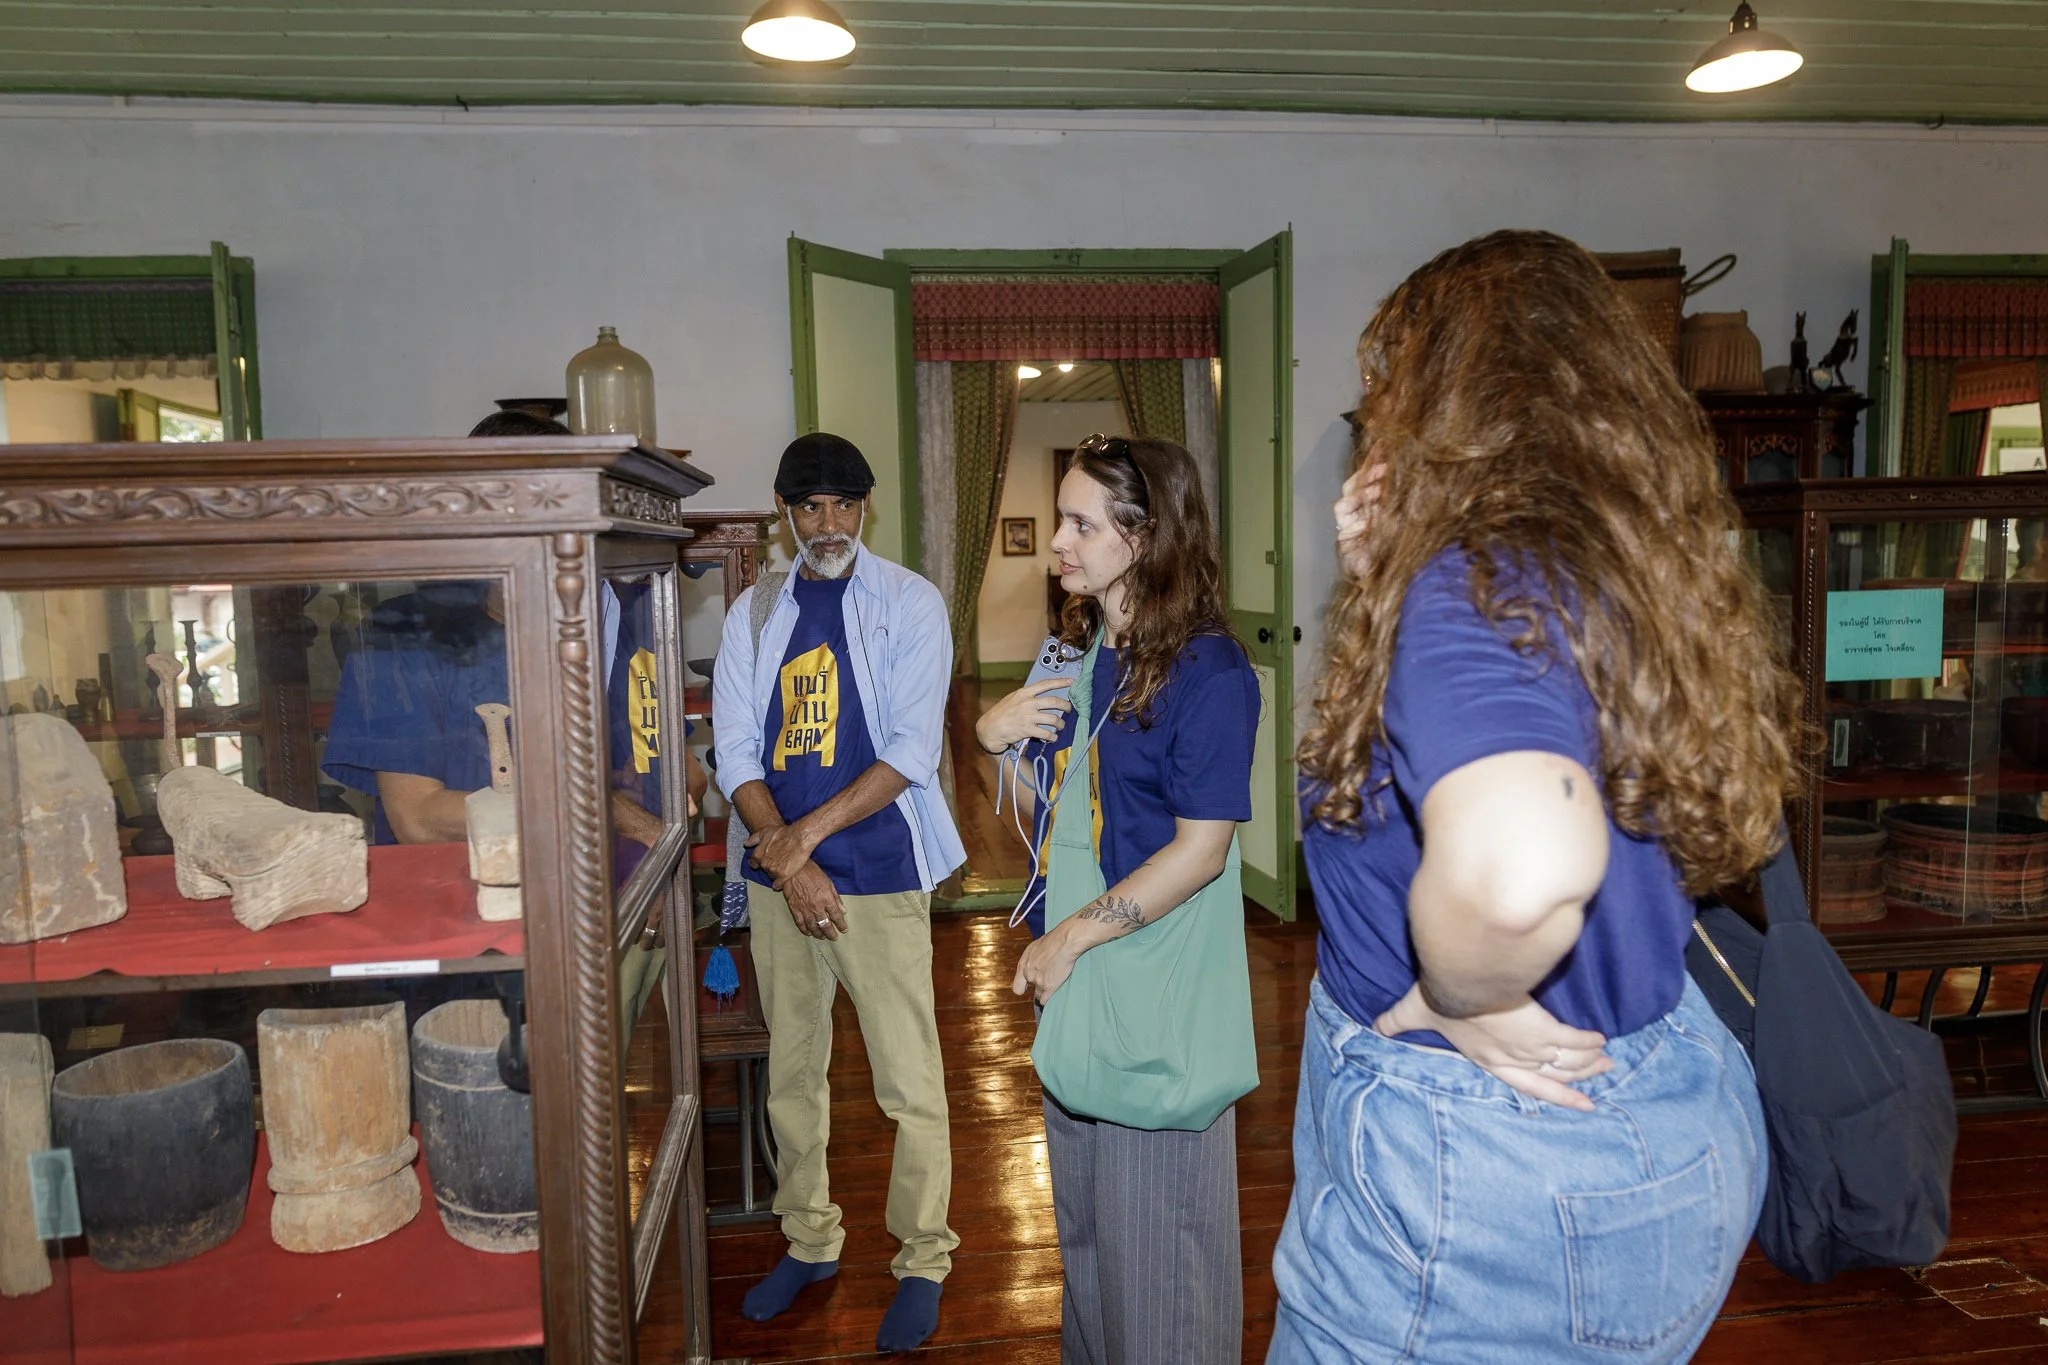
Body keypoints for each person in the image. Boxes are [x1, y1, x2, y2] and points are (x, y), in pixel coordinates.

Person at [1270, 230, 1801, 1363]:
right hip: (1663, 1104)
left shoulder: (1470, 580)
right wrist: (1380, 577)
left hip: (1484, 1168)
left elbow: (1518, 868)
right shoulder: (1641, 580)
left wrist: (1454, 994)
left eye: (1387, 394)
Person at [975, 433, 1260, 1365]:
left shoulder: (1210, 672)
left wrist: (1069, 942)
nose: (1057, 540)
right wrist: (999, 736)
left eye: (1079, 522)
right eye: (1061, 516)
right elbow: (1049, 816)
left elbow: (1204, 851)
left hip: (1153, 992)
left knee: (1164, 1270)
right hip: (1088, 990)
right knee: (1091, 1247)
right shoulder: (1089, 649)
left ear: (1143, 538)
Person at [711, 431, 965, 1354]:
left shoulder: (908, 602)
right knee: (793, 1072)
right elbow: (733, 748)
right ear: (785, 514)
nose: (829, 524)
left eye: (845, 505)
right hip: (783, 878)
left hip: (881, 870)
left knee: (909, 1079)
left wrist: (802, 842)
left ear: (867, 509)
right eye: (811, 507)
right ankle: (810, 1240)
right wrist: (790, 860)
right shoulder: (752, 613)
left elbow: (911, 747)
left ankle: (924, 1256)